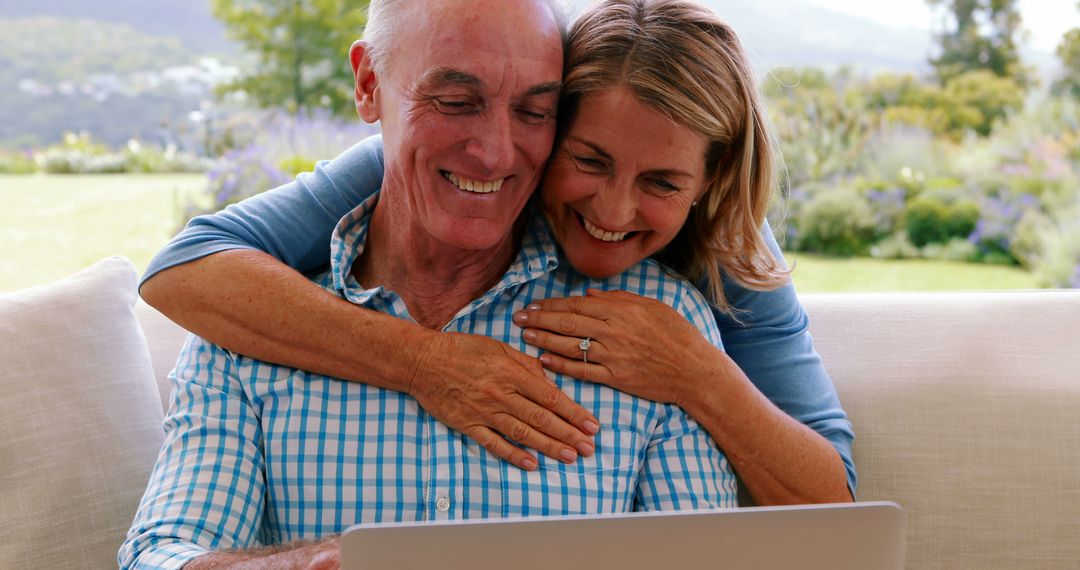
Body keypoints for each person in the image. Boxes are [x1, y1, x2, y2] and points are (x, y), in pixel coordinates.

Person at [142, 0, 855, 506]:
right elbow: (184, 270)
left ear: (708, 182)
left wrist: (699, 374)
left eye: (663, 182)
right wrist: (426, 361)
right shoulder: (423, 167)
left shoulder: (725, 251)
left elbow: (833, 506)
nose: (612, 210)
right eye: (589, 159)